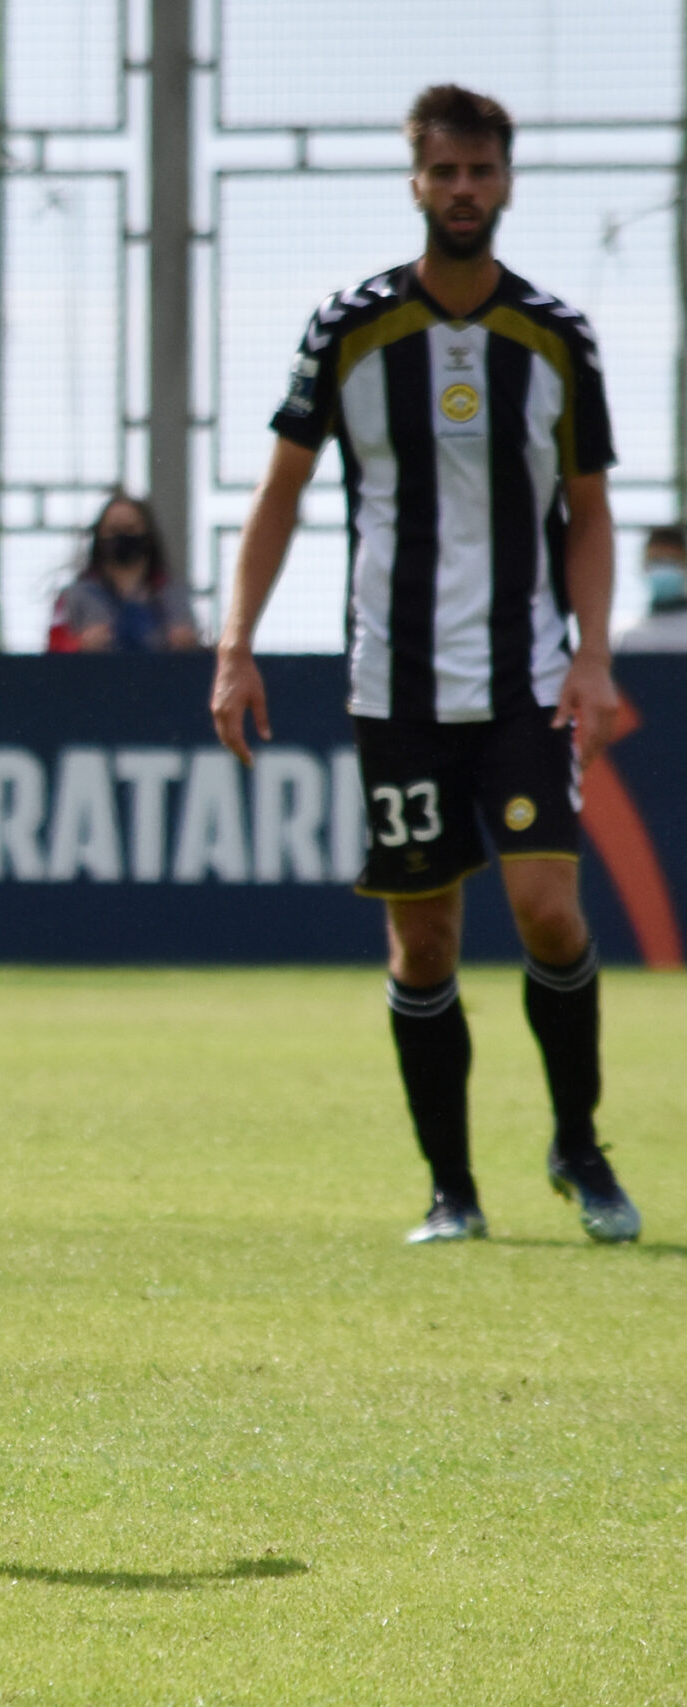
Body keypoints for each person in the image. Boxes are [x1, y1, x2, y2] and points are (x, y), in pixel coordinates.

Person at [211, 85, 639, 1246]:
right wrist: (236, 643)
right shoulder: (346, 329)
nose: (462, 192)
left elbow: (591, 514)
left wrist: (592, 656)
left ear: (505, 181)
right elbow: (281, 492)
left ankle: (579, 1145)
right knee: (424, 939)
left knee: (549, 911)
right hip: (392, 685)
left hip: (522, 679)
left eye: (480, 172)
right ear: (414, 181)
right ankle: (450, 1190)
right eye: (442, 173)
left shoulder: (555, 337)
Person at [46, 493, 198, 652]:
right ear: (99, 536)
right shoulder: (75, 595)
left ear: (147, 535)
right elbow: (53, 648)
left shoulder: (173, 592)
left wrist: (187, 643)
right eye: (113, 530)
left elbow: (196, 647)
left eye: (130, 528)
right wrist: (79, 644)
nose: (122, 536)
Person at [615, 526, 687, 651]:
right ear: (643, 566)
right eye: (655, 561)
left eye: (670, 561)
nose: (662, 567)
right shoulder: (626, 638)